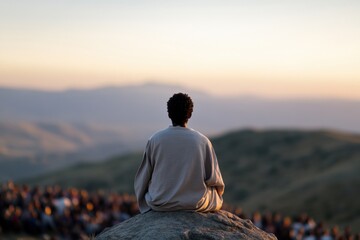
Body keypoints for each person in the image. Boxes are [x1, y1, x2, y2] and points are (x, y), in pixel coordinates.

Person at [134, 93, 225, 213]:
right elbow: (215, 181)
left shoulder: (155, 139)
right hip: (195, 203)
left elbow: (143, 179)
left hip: (161, 203)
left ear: (169, 114)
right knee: (214, 193)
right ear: (190, 114)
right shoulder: (202, 141)